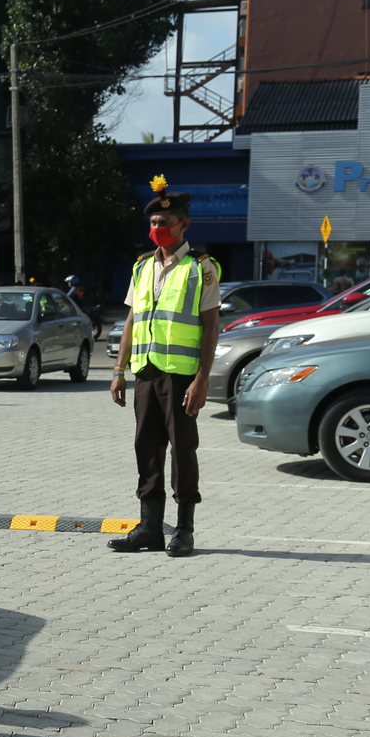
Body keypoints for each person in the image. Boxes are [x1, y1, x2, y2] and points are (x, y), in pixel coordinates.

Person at [108, 175, 221, 558]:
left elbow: (210, 327)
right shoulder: (141, 268)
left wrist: (202, 379)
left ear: (183, 225)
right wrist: (118, 371)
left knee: (182, 450)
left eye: (165, 223)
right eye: (153, 223)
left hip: (181, 376)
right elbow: (131, 322)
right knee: (147, 448)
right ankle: (149, 530)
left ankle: (184, 530)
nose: (158, 229)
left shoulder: (200, 268)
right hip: (145, 372)